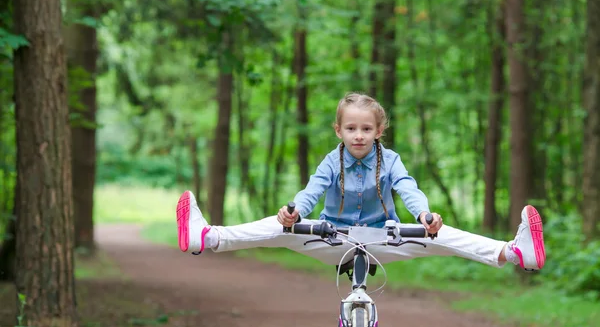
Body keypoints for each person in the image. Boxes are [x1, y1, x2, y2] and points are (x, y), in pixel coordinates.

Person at [175, 92, 545, 271]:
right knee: (275, 228)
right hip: (330, 237)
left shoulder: (392, 160)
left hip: (384, 238)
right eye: (351, 128)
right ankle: (208, 237)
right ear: (338, 129)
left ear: (379, 131)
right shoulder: (330, 161)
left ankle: (514, 253)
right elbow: (312, 190)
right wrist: (294, 213)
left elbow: (408, 189)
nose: (358, 136)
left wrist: (425, 216)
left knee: (442, 234)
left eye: (366, 128)